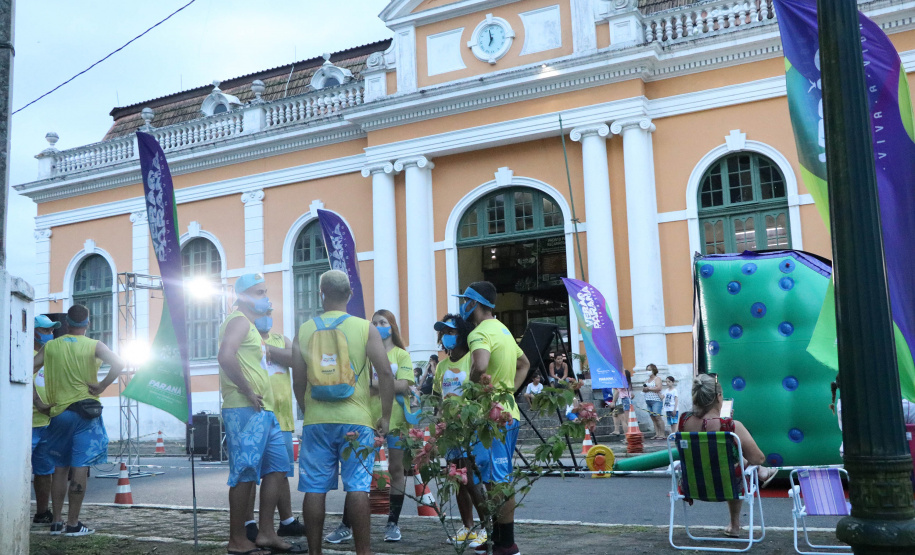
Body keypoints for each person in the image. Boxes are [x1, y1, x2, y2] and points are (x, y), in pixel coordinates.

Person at [292, 270, 394, 555]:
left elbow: (298, 380)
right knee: (357, 487)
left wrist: (306, 408)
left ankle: (315, 553)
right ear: (350, 295)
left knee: (314, 488)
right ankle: (363, 552)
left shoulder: (304, 330)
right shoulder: (365, 328)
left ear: (320, 294)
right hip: (357, 420)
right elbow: (385, 373)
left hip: (317, 421)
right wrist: (384, 416)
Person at [217, 274, 302, 555]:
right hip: (244, 407)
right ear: (242, 296)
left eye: (265, 291)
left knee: (278, 468)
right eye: (258, 291)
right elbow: (225, 356)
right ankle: (237, 539)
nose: (265, 296)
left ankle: (266, 533)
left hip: (265, 410)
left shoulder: (251, 326)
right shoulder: (239, 320)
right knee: (244, 474)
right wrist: (248, 390)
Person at [324, 309, 414, 544]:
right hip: (365, 420)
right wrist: (383, 383)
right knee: (358, 474)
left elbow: (404, 384)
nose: (378, 325)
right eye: (374, 322)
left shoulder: (401, 355)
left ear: (392, 326)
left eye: (383, 322)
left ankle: (393, 523)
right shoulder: (365, 353)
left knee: (396, 470)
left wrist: (377, 382)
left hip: (396, 421)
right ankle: (346, 525)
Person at [33, 304, 124, 536]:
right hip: (85, 415)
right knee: (80, 467)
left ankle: (55, 522)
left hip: (58, 414)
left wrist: (39, 403)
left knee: (60, 469)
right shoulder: (94, 345)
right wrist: (102, 385)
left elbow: (25, 369)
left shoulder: (52, 346)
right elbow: (119, 364)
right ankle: (73, 524)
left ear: (66, 324)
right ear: (88, 324)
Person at [459, 281, 530, 555]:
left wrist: (472, 391)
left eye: (465, 300)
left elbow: (480, 365)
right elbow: (524, 364)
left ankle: (506, 544)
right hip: (508, 412)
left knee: (498, 480)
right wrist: (508, 389)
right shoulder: (504, 330)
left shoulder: (479, 333)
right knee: (496, 477)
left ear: (475, 303)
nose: (463, 305)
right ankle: (498, 540)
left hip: (489, 416)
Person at [678, 374, 777, 537]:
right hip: (727, 486)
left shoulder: (684, 421)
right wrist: (729, 423)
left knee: (731, 461)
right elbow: (758, 458)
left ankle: (761, 472)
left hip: (694, 485)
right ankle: (735, 525)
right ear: (718, 397)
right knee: (735, 464)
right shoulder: (731, 426)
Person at [241, 309, 306, 542]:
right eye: (261, 312)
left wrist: (269, 350)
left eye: (268, 312)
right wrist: (273, 353)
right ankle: (248, 521)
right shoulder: (246, 338)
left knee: (280, 471)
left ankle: (286, 520)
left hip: (283, 418)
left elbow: (294, 358)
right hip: (256, 415)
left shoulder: (281, 339)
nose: (266, 316)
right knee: (250, 472)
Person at [433, 314, 487, 548]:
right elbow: (437, 399)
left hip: (470, 429)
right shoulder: (442, 366)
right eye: (443, 332)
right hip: (449, 431)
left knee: (470, 479)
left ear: (462, 334)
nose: (446, 337)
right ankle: (467, 528)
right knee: (456, 478)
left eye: (452, 332)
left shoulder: (471, 361)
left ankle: (487, 527)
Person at [31, 314, 61, 525]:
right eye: (45, 330)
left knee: (45, 472)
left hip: (46, 423)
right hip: (27, 424)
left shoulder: (50, 356)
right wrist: (39, 404)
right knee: (18, 471)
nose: (50, 334)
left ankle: (42, 513)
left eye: (51, 330)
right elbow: (26, 380)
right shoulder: (24, 355)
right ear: (32, 332)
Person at [642, 363, 667, 440]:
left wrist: (649, 388)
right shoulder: (647, 380)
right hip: (648, 400)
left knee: (658, 417)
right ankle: (657, 433)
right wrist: (645, 389)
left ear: (653, 370)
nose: (648, 371)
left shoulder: (657, 379)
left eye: (649, 370)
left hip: (656, 400)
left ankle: (662, 434)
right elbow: (644, 389)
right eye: (647, 370)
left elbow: (659, 388)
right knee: (653, 418)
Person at [611, 370, 633, 437]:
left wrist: (613, 401)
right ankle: (627, 437)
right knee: (626, 420)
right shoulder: (628, 382)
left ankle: (627, 437)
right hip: (626, 400)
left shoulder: (622, 382)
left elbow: (617, 392)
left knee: (624, 420)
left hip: (622, 400)